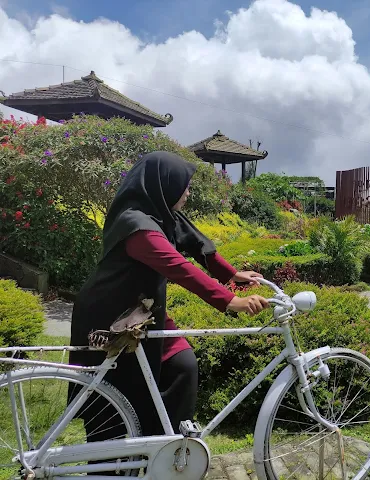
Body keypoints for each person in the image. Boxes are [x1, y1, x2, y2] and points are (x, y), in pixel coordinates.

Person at [69, 151, 269, 445]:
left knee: (182, 365)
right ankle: (110, 470)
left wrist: (230, 274)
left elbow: (195, 241)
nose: (188, 192)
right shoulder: (135, 225)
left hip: (141, 315)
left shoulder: (160, 214)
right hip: (109, 318)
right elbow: (179, 268)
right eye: (184, 185)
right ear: (165, 184)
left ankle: (160, 448)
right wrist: (229, 301)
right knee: (109, 409)